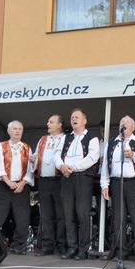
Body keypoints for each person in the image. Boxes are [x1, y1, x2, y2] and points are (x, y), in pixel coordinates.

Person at [101, 116, 135, 262]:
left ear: (133, 127)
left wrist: (134, 155)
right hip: (117, 182)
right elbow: (106, 165)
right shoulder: (112, 142)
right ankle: (121, 251)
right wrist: (104, 184)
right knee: (118, 218)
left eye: (127, 123)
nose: (123, 124)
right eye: (121, 123)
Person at [55, 108, 100, 259]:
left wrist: (73, 167)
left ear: (84, 121)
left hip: (83, 178)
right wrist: (62, 166)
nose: (74, 119)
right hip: (66, 178)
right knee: (68, 215)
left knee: (82, 215)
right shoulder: (65, 138)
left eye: (77, 117)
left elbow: (93, 157)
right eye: (72, 117)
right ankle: (72, 248)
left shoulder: (92, 137)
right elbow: (56, 155)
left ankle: (83, 249)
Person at [0, 121, 34, 254]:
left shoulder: (27, 147)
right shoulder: (1, 146)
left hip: (21, 186)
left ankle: (19, 245)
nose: (17, 131)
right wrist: (8, 181)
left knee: (22, 218)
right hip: (4, 185)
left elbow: (30, 169)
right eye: (14, 129)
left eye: (20, 129)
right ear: (9, 131)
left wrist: (22, 183)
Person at [32, 114, 67, 256]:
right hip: (44, 181)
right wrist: (34, 160)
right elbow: (36, 156)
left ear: (59, 125)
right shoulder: (43, 139)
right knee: (46, 215)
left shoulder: (66, 138)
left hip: (59, 181)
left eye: (51, 122)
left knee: (61, 214)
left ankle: (61, 245)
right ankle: (47, 245)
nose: (48, 124)